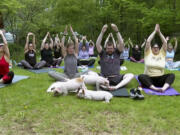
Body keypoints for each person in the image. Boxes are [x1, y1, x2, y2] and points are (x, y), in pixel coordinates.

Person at [96, 24, 134, 90]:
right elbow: (97, 44)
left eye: (111, 48)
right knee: (90, 73)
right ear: (106, 48)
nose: (109, 50)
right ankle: (104, 85)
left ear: (114, 48)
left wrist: (117, 31)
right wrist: (102, 32)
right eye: (108, 48)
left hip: (117, 78)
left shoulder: (117, 53)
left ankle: (116, 87)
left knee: (130, 75)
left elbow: (121, 43)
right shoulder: (103, 53)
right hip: (104, 78)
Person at [138, 24, 175, 92]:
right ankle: (155, 89)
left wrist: (159, 32)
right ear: (151, 49)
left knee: (172, 75)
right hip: (149, 79)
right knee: (141, 76)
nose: (155, 48)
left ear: (159, 48)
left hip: (160, 79)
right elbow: (148, 41)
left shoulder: (162, 54)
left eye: (157, 47)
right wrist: (155, 31)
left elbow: (165, 42)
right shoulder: (148, 53)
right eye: (154, 47)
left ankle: (163, 88)